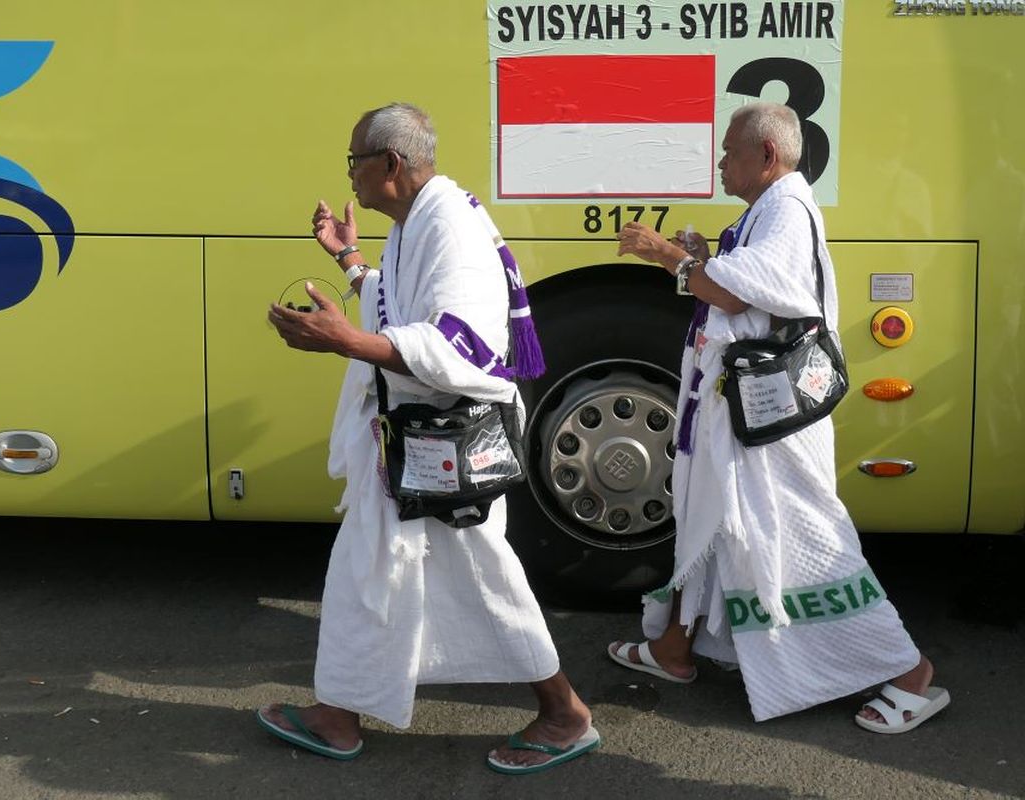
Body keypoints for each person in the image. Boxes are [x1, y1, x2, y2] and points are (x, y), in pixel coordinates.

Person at [259, 102, 599, 772]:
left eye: (354, 160)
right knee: (370, 569)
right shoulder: (421, 220)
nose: (350, 176)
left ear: (389, 162)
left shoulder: (450, 226)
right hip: (415, 445)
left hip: (446, 446)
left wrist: (347, 342)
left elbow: (465, 343)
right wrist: (352, 263)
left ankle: (564, 713)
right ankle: (337, 713)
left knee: (480, 576)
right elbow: (401, 301)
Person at [609, 102, 950, 734]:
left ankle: (910, 672)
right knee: (711, 521)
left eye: (730, 150)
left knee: (806, 540)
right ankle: (674, 649)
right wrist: (704, 256)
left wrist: (669, 257)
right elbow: (749, 288)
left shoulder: (787, 208)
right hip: (737, 417)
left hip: (771, 425)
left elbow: (741, 292)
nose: (720, 161)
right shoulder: (769, 209)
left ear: (766, 155)